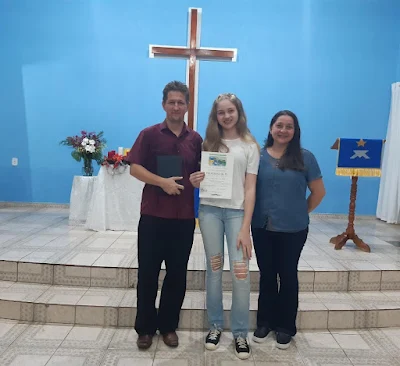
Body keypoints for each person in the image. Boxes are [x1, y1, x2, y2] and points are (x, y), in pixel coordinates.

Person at [126, 81, 203, 350]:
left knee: (177, 275)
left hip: (183, 218)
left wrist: (200, 178)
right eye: (171, 102)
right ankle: (145, 328)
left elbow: (199, 173)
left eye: (181, 102)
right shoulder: (149, 135)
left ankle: (168, 326)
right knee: (148, 273)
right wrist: (162, 182)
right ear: (163, 105)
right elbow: (134, 169)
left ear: (187, 106)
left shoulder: (196, 139)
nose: (176, 106)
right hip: (153, 216)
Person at [190, 93, 260, 360]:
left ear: (239, 112)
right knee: (215, 269)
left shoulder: (250, 146)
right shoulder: (208, 142)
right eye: (221, 112)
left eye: (231, 111)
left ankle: (240, 332)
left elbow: (250, 187)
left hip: (236, 215)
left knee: (241, 272)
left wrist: (246, 227)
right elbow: (200, 177)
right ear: (215, 116)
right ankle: (216, 326)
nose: (226, 116)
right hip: (209, 211)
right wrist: (196, 181)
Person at [251, 110, 325, 349]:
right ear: (271, 128)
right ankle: (265, 322)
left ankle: (285, 326)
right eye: (279, 125)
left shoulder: (306, 158)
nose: (283, 130)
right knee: (267, 275)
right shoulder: (257, 157)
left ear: (295, 131)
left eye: (289, 126)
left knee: (288, 275)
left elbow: (318, 193)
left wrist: (300, 212)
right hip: (261, 226)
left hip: (293, 229)